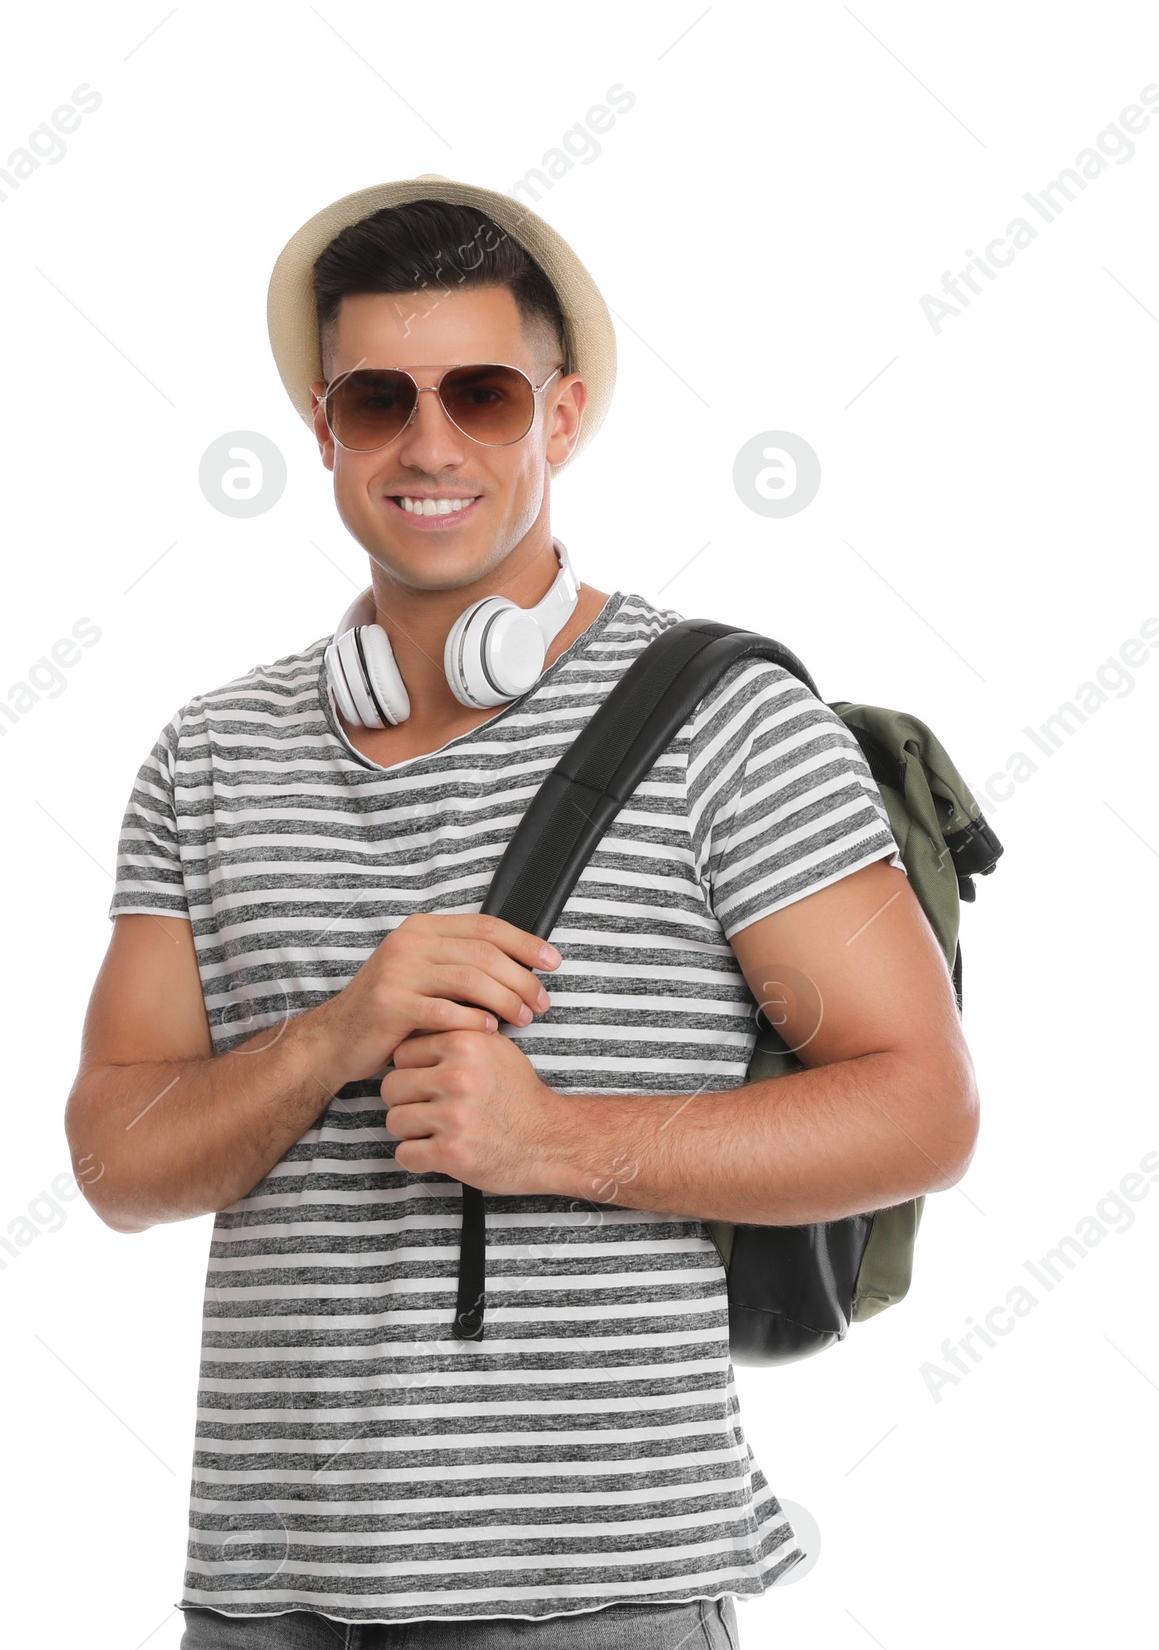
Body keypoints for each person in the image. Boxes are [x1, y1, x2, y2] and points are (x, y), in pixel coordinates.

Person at [65, 176, 979, 1647]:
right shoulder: (211, 756)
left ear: (557, 419)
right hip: (266, 1598)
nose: (429, 445)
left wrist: (549, 1141)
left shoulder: (729, 727)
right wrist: (336, 1036)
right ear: (324, 428)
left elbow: (923, 1109)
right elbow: (118, 1161)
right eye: (379, 400)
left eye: (482, 394)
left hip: (596, 1599)